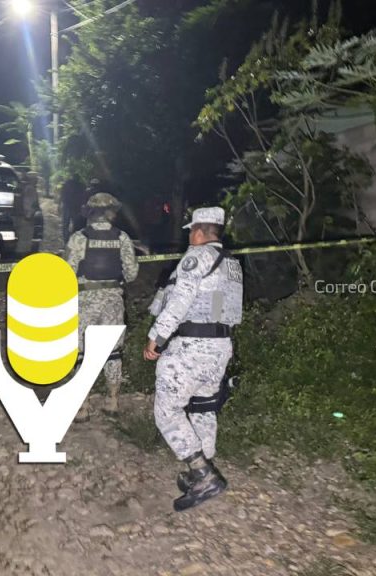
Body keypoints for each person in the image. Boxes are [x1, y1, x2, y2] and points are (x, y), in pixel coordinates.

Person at [143, 206, 243, 511]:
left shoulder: (196, 257)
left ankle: (203, 475)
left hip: (192, 347)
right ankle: (203, 466)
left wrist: (157, 337)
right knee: (203, 407)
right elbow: (218, 306)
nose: (189, 237)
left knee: (167, 411)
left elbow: (179, 301)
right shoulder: (230, 263)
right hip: (220, 345)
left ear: (198, 232)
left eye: (191, 232)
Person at [64, 192, 138, 419]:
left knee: (80, 352)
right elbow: (132, 274)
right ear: (111, 212)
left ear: (90, 212)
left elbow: (67, 271)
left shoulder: (78, 238)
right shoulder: (122, 238)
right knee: (113, 352)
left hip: (84, 300)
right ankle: (113, 401)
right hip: (113, 301)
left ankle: (82, 406)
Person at [15, 171, 40, 255]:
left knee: (22, 237)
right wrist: (28, 216)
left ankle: (21, 254)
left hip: (21, 216)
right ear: (33, 179)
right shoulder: (30, 189)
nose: (37, 181)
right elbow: (28, 203)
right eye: (35, 179)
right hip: (26, 217)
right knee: (25, 237)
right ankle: (22, 255)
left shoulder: (24, 187)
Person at [59, 175, 87, 244]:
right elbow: (84, 196)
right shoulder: (81, 185)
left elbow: (62, 195)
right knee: (76, 224)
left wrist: (59, 204)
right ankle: (74, 240)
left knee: (66, 224)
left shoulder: (67, 183)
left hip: (67, 206)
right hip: (76, 207)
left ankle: (66, 240)